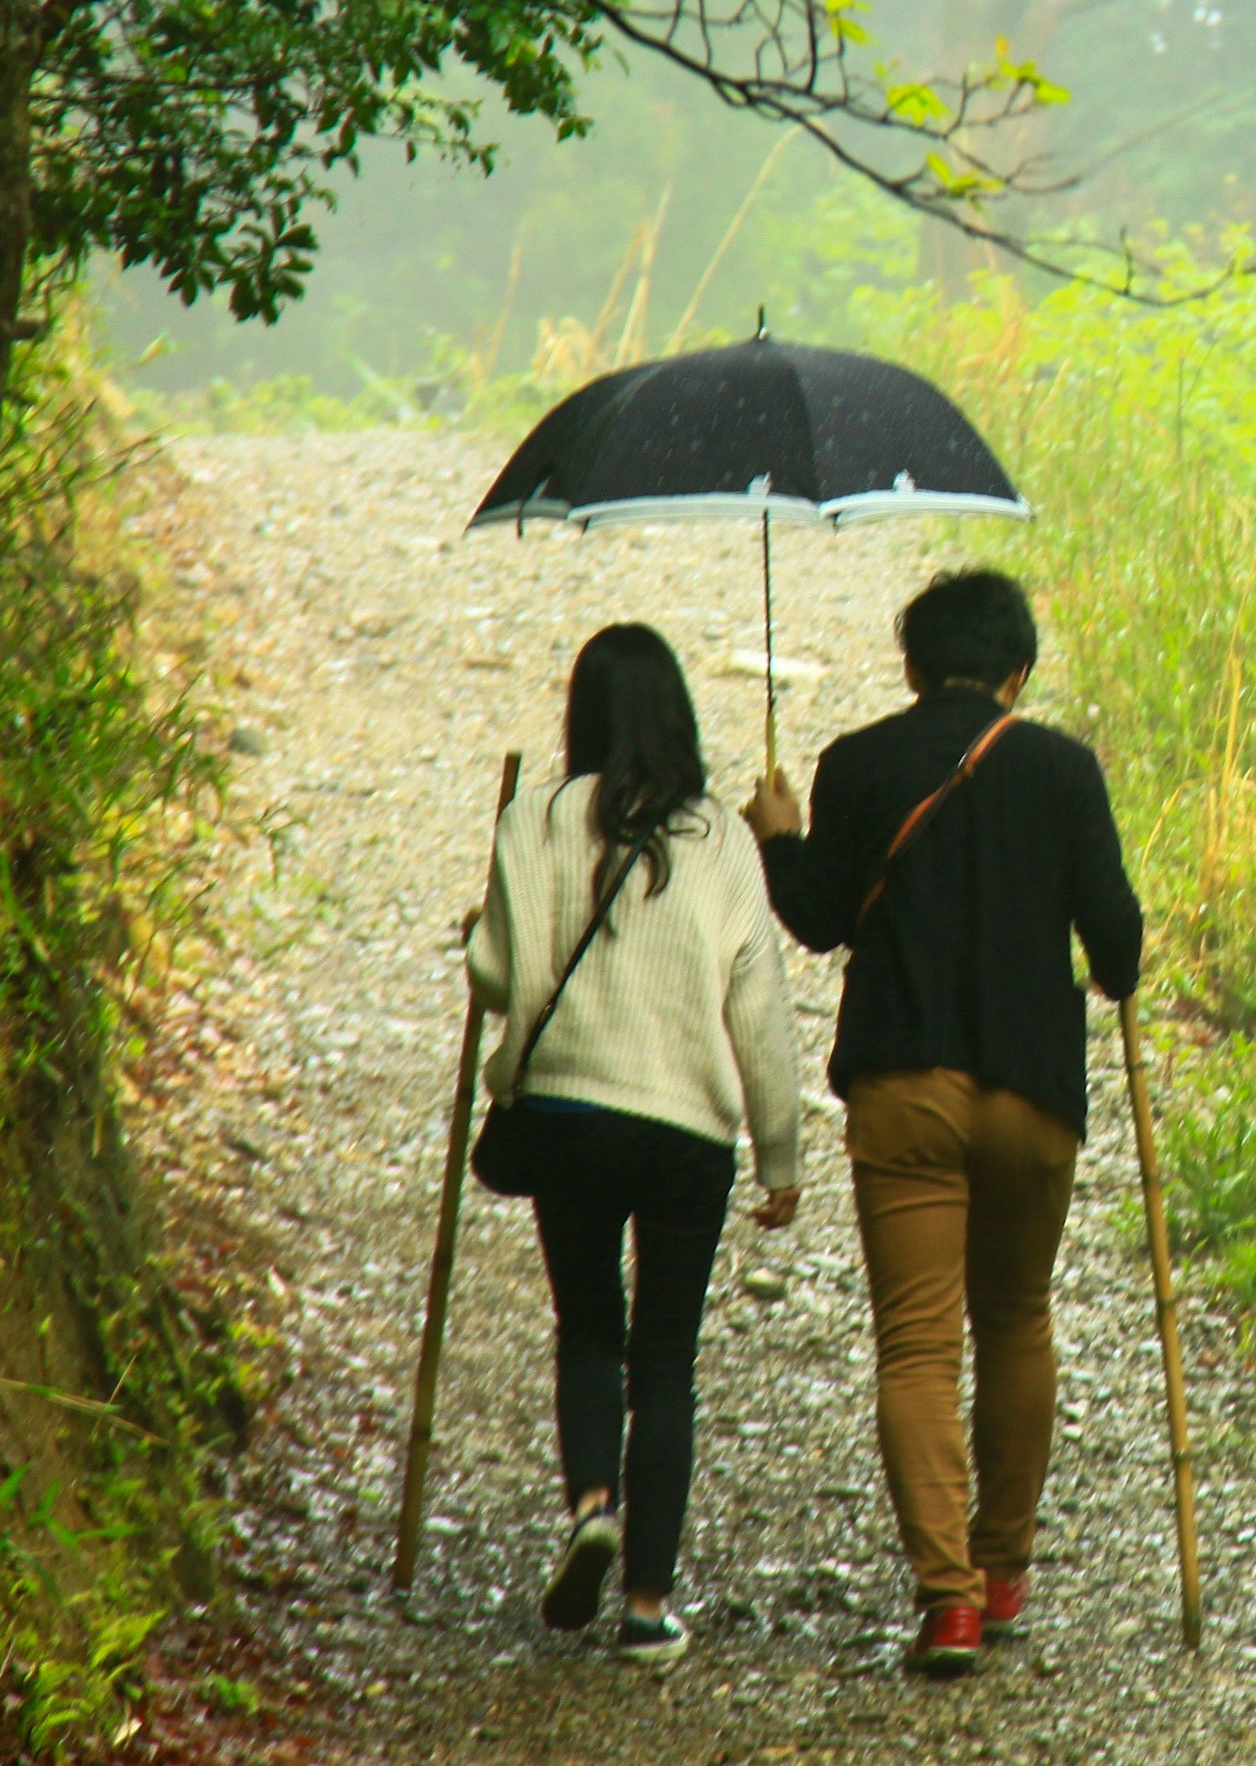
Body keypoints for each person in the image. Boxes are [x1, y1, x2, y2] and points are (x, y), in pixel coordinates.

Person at [748, 567, 1142, 1680]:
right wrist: (1110, 954)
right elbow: (1116, 946)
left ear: (912, 667)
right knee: (1015, 1316)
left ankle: (950, 1605)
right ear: (1019, 673)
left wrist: (778, 835)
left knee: (918, 1343)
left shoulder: (859, 761)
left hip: (905, 1084)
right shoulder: (1065, 769)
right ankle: (1005, 1566)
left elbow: (821, 918)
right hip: (1030, 1093)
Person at [469, 622, 804, 1666]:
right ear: (678, 719)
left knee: (587, 1327)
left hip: (567, 1115)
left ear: (582, 713)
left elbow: (493, 973)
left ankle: (591, 1506)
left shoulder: (534, 817)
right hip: (685, 1133)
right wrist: (780, 1155)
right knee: (666, 1356)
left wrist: (480, 933)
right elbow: (760, 1010)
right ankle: (650, 1605)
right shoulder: (722, 840)